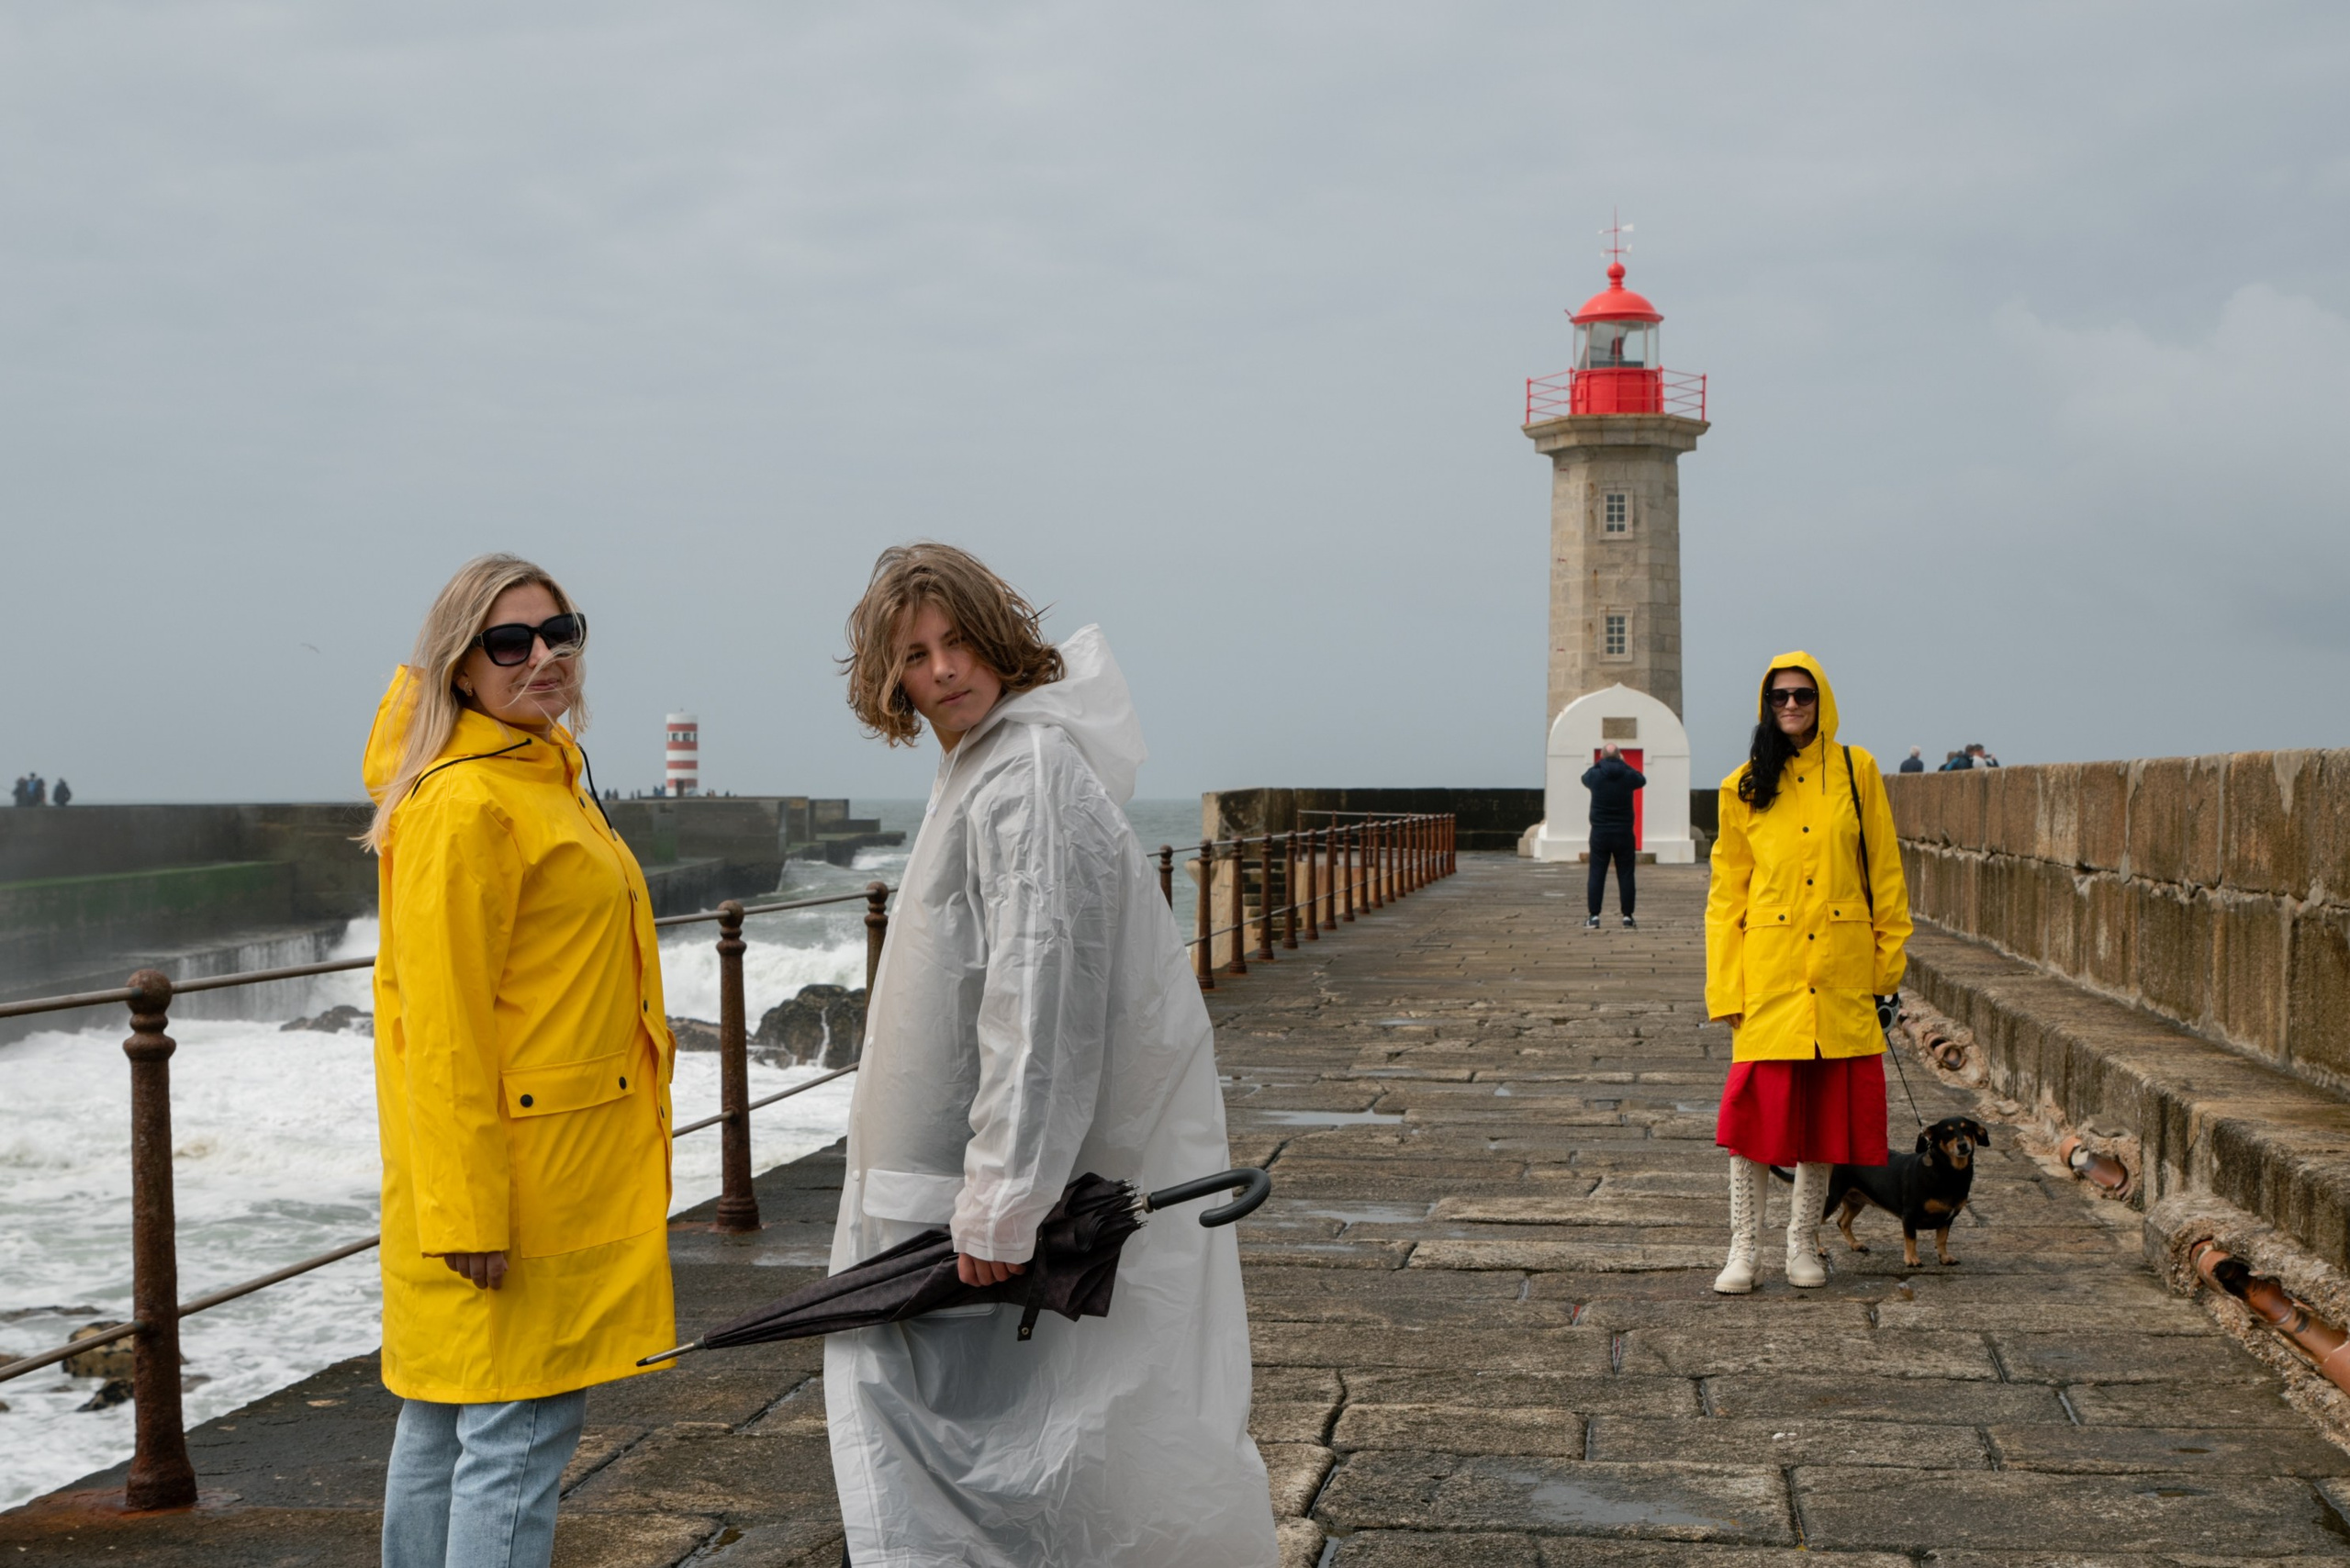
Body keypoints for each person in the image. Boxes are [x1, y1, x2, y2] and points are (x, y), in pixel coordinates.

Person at [826, 543, 1277, 1568]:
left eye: (956, 641)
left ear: (999, 636)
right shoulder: (989, 760)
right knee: (999, 1432)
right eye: (913, 654)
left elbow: (1041, 997)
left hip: (977, 1184)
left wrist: (1004, 1194)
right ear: (887, 676)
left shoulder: (1024, 772)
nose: (941, 669)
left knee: (959, 1436)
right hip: (954, 1171)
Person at [361, 554, 676, 1568]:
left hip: (533, 1163)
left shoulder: (541, 771)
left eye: (560, 632)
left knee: (449, 1426)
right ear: (460, 665)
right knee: (516, 1438)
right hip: (522, 1183)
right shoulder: (468, 804)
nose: (542, 657)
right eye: (510, 641)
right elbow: (442, 1026)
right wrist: (466, 1210)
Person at [1704, 651, 1910, 1294]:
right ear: (1765, 705)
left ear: (1822, 699)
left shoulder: (1858, 770)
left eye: (1802, 695)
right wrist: (1724, 986)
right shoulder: (1742, 784)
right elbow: (1726, 894)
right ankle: (1744, 1249)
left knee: (1822, 1119)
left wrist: (1886, 968)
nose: (1791, 706)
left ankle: (1802, 1245)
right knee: (1754, 1123)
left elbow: (1886, 874)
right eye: (1779, 697)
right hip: (1769, 974)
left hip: (1841, 971)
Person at [1582, 743, 1645, 930]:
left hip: (1600, 833)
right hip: (1624, 833)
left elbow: (1584, 777)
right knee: (1626, 875)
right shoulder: (1627, 775)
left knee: (1596, 875)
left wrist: (1600, 763)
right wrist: (1623, 764)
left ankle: (1594, 916)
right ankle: (1627, 916)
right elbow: (1641, 780)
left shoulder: (1595, 775)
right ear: (1620, 756)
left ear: (1601, 757)